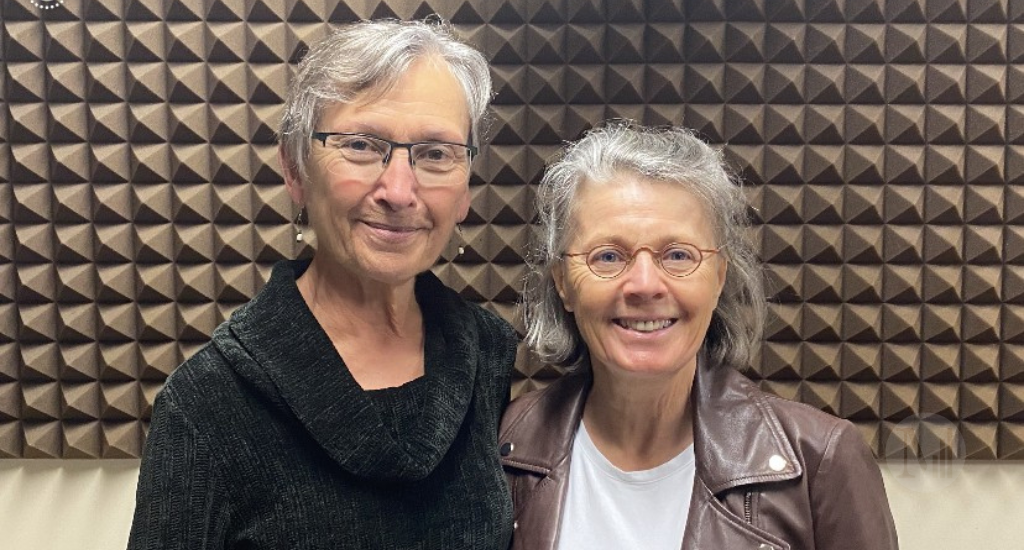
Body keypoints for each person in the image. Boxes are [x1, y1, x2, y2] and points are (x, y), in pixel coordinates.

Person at [128, 19, 518, 549]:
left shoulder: (490, 356)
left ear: (467, 185)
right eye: (361, 144)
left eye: (435, 154)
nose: (400, 191)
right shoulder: (207, 405)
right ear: (295, 170)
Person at [500, 121, 898, 550]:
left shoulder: (819, 462)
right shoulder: (508, 446)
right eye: (609, 256)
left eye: (677, 255)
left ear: (718, 277)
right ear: (563, 282)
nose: (645, 285)